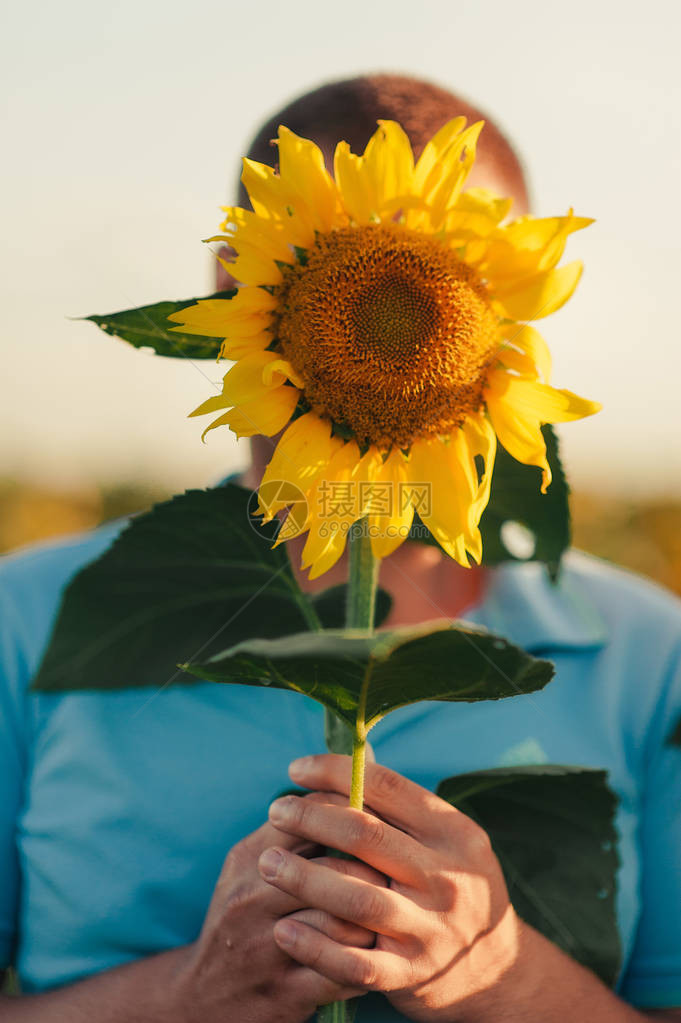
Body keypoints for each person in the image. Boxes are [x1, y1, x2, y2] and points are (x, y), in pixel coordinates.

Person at [1, 73, 681, 1022]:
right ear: (232, 287)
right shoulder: (28, 619)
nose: (411, 327)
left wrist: (499, 975)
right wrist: (190, 997)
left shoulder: (649, 656)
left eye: (455, 280)